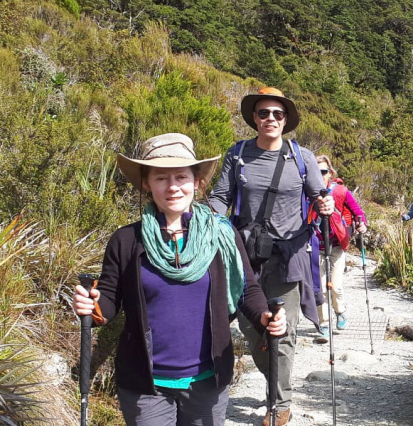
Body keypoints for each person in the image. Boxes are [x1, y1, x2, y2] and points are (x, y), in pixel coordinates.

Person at [73, 132, 287, 426]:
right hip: (145, 384)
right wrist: (93, 303)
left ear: (197, 181)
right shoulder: (126, 240)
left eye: (181, 177)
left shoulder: (221, 235)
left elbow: (247, 288)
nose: (173, 187)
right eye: (161, 178)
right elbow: (109, 298)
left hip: (208, 381)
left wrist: (265, 316)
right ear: (146, 184)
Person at [209, 87, 334, 426]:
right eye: (263, 113)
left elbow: (318, 194)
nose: (270, 119)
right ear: (254, 117)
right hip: (246, 256)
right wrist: (212, 223)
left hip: (288, 254)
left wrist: (327, 204)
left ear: (286, 120)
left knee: (284, 330)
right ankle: (275, 380)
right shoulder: (238, 155)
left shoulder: (301, 156)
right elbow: (221, 197)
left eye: (277, 114)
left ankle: (280, 404)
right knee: (252, 328)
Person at [314, 154, 367, 343]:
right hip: (315, 246)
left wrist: (362, 225)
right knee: (319, 289)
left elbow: (358, 212)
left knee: (335, 287)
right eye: (317, 171)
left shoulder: (341, 191)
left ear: (330, 172)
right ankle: (324, 324)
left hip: (336, 246)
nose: (321, 175)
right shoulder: (306, 192)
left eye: (324, 171)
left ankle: (340, 312)